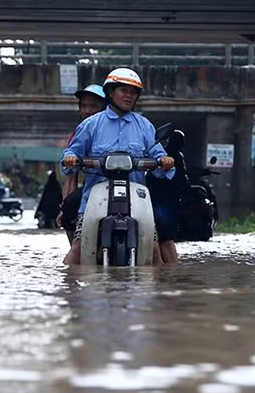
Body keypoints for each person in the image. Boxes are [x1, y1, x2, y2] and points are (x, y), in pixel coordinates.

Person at [61, 68, 175, 265]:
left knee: (154, 250)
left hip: (137, 199)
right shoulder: (91, 124)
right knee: (79, 248)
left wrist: (165, 161)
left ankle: (160, 294)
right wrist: (70, 157)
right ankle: (69, 290)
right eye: (124, 91)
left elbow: (157, 153)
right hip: (94, 198)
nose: (129, 96)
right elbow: (72, 153)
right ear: (110, 92)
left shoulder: (145, 125)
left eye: (133, 93)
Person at [57, 84, 107, 242]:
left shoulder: (126, 126)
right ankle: (76, 247)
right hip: (93, 188)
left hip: (129, 185)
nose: (88, 110)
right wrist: (63, 207)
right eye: (84, 106)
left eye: (94, 106)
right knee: (69, 209)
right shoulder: (78, 135)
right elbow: (71, 175)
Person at [146, 130, 187, 264]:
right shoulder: (156, 157)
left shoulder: (171, 158)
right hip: (153, 201)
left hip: (159, 204)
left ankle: (168, 272)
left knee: (163, 235)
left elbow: (181, 181)